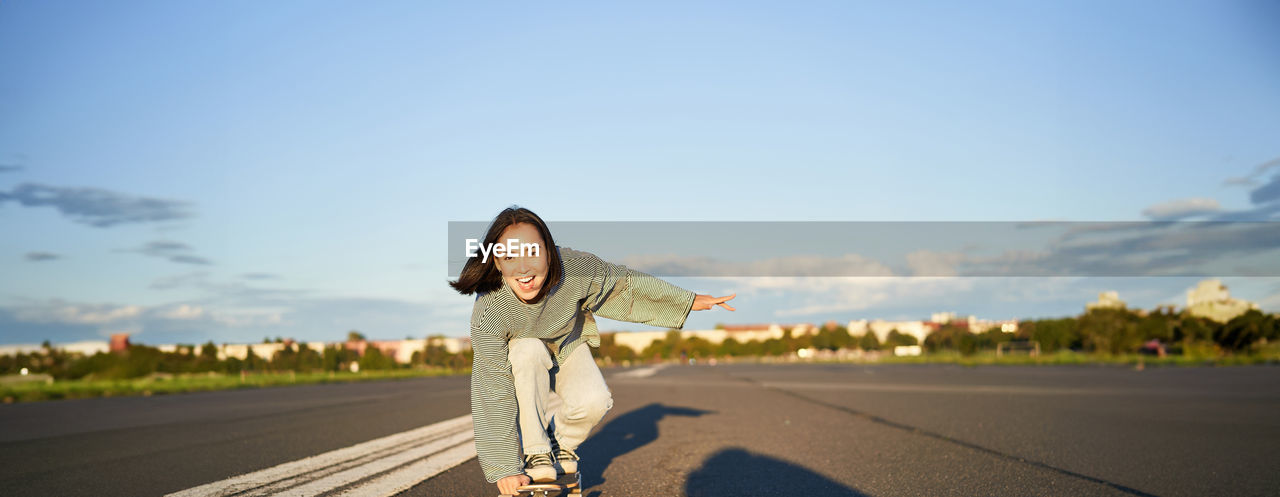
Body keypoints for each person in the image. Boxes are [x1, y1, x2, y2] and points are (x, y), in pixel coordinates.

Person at [449, 206, 736, 496]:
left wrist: (687, 301)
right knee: (529, 350)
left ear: (549, 252)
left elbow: (624, 287)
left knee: (595, 401)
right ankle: (537, 452)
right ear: (496, 262)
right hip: (523, 357)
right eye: (510, 257)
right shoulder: (490, 310)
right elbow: (492, 387)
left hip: (567, 343)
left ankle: (560, 444)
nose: (524, 269)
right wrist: (505, 468)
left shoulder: (575, 269)